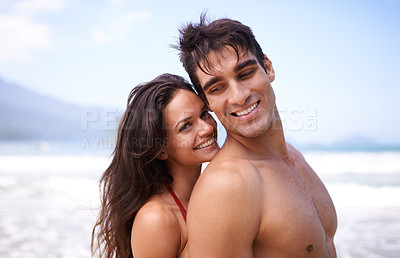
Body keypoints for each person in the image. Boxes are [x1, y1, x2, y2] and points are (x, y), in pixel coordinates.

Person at [176, 15, 338, 257]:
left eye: (245, 73)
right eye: (217, 88)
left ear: (268, 67)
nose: (239, 96)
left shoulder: (294, 156)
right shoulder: (227, 186)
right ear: (207, 101)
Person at [91, 73, 220, 258]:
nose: (207, 128)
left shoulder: (211, 194)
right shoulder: (157, 219)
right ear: (160, 150)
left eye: (204, 114)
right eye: (186, 126)